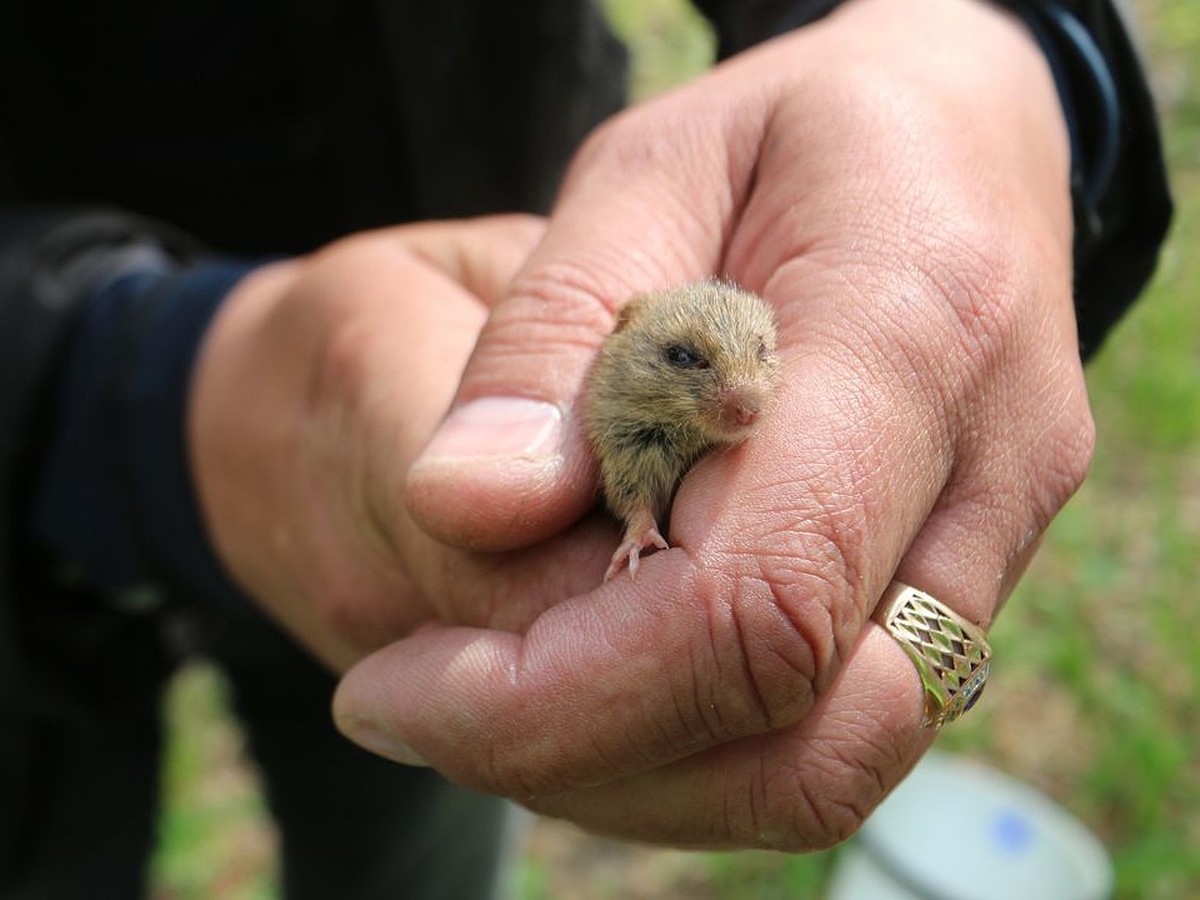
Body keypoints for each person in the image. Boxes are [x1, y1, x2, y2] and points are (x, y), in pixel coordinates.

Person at [0, 0, 1171, 897]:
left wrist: (983, 35)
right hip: (32, 545)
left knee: (409, 834)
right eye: (696, 371)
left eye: (757, 363)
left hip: (417, 501)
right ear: (622, 348)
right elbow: (626, 460)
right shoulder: (627, 389)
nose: (745, 398)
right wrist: (116, 381)